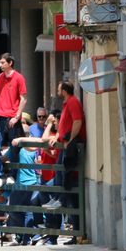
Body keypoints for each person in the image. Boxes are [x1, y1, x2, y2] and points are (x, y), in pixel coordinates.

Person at [43, 82, 86, 242]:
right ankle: (60, 198)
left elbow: (77, 121)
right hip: (64, 144)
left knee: (64, 175)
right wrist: (58, 136)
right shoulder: (67, 102)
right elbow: (66, 124)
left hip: (71, 146)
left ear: (64, 90)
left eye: (59, 88)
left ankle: (60, 198)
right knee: (63, 176)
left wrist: (70, 139)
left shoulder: (73, 101)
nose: (57, 90)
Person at [0, 53, 27, 188]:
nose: (0, 65)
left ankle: (12, 175)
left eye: (3, 63)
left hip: (12, 117)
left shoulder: (19, 78)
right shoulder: (0, 77)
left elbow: (23, 99)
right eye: (0, 63)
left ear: (10, 63)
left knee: (14, 147)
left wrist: (17, 116)